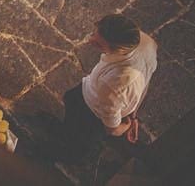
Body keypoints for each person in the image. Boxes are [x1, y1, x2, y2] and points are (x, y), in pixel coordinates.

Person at [52, 14, 158, 162]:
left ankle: (64, 155)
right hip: (99, 98)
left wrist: (126, 126)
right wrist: (133, 117)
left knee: (78, 143)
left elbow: (112, 129)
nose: (90, 40)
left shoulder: (113, 85)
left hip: (91, 112)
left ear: (119, 50)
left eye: (99, 44)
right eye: (94, 33)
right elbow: (146, 81)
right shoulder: (146, 43)